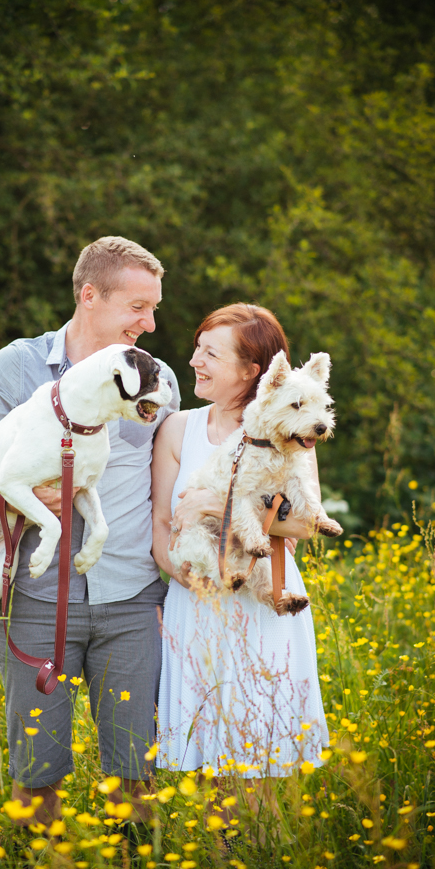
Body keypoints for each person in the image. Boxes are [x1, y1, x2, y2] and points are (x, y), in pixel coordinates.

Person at [0, 236, 180, 826]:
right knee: (36, 773)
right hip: (37, 601)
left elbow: (183, 473)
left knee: (135, 773)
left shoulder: (157, 378)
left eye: (153, 309)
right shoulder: (17, 365)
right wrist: (17, 494)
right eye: (137, 308)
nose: (149, 324)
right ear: (90, 295)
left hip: (132, 602)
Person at [151, 303, 329, 834]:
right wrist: (192, 582)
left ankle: (261, 861)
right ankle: (218, 865)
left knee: (261, 756)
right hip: (198, 596)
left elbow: (304, 524)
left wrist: (214, 507)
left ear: (252, 371)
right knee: (210, 760)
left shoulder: (292, 430)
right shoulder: (178, 429)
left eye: (211, 353)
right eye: (198, 348)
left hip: (263, 603)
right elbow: (162, 522)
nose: (194, 361)